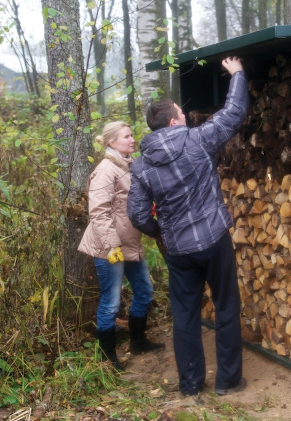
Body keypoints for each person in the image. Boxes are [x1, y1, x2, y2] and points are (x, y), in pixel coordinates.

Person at [127, 56, 248, 397]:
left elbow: (136, 214)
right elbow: (234, 112)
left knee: (185, 317)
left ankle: (191, 386)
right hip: (212, 239)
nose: (184, 115)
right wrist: (237, 74)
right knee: (225, 307)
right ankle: (228, 381)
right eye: (181, 112)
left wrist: (159, 231)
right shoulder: (196, 140)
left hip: (179, 250)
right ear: (173, 120)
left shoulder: (140, 167)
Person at [78, 121, 165, 371]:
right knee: (111, 302)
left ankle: (138, 342)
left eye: (131, 135)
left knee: (145, 291)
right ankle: (108, 360)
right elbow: (99, 213)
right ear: (111, 143)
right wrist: (112, 246)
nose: (132, 140)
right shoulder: (105, 171)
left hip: (129, 244)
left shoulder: (127, 165)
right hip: (110, 248)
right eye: (126, 137)